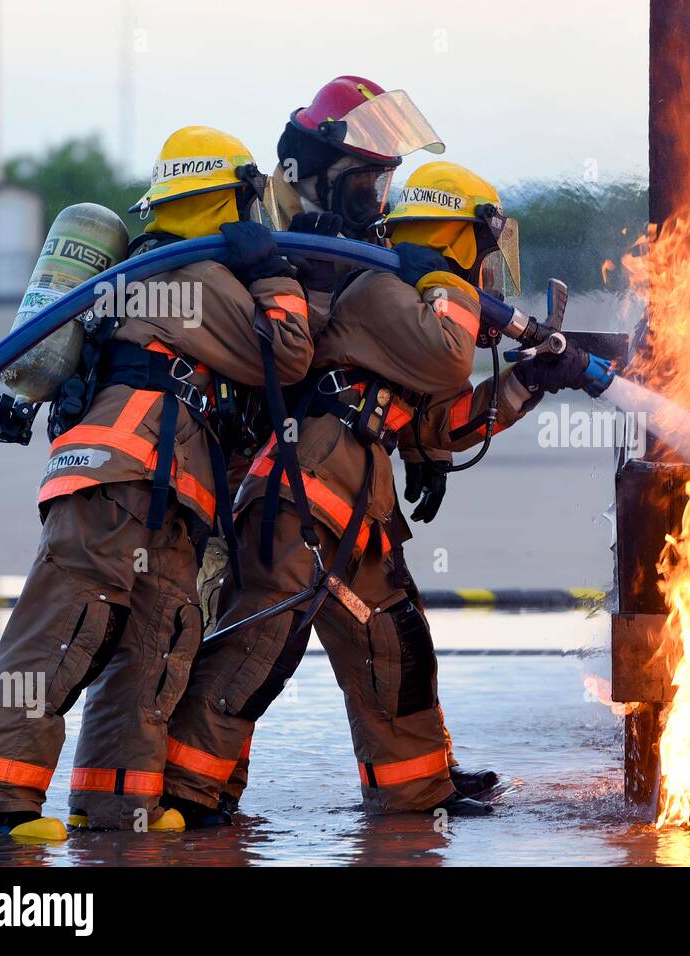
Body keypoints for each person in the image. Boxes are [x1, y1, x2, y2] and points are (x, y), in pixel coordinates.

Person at [163, 159, 604, 821]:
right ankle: (184, 794)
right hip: (304, 496)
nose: (489, 264)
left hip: (356, 509)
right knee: (259, 648)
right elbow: (449, 355)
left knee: (395, 646)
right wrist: (444, 285)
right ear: (459, 236)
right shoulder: (380, 287)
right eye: (484, 245)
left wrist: (531, 382)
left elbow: (438, 429)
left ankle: (416, 790)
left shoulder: (422, 300)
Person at [0, 126, 313, 838]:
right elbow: (289, 354)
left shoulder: (156, 274)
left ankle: (118, 805)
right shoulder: (195, 279)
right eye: (248, 201)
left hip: (166, 492)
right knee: (63, 630)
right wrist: (272, 273)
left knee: (156, 646)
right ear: (229, 200)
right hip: (118, 478)